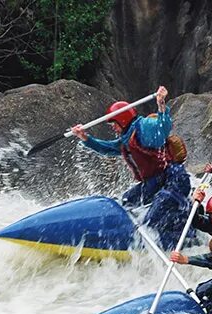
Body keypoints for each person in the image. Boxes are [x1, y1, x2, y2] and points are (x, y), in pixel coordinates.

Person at [70, 86, 191, 249]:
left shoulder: (143, 128)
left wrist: (161, 104)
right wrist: (85, 138)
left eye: (114, 123)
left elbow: (162, 129)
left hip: (174, 179)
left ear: (123, 120)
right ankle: (122, 235)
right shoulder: (126, 139)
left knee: (152, 217)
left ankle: (163, 241)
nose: (113, 127)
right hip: (154, 182)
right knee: (124, 203)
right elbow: (106, 148)